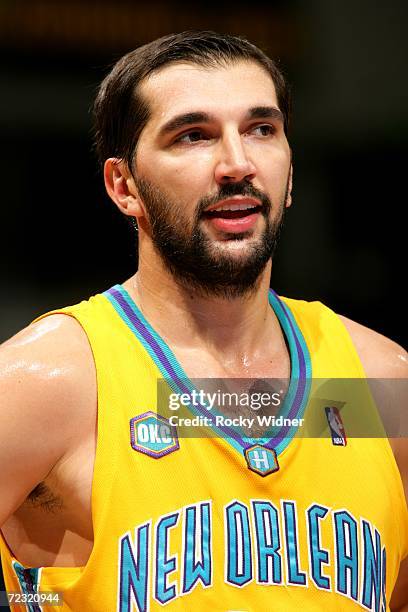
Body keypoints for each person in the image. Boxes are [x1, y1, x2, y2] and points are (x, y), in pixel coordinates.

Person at [0, 30, 407, 612]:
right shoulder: (51, 385)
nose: (237, 163)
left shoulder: (380, 386)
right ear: (125, 186)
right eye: (194, 136)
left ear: (289, 171)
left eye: (261, 130)